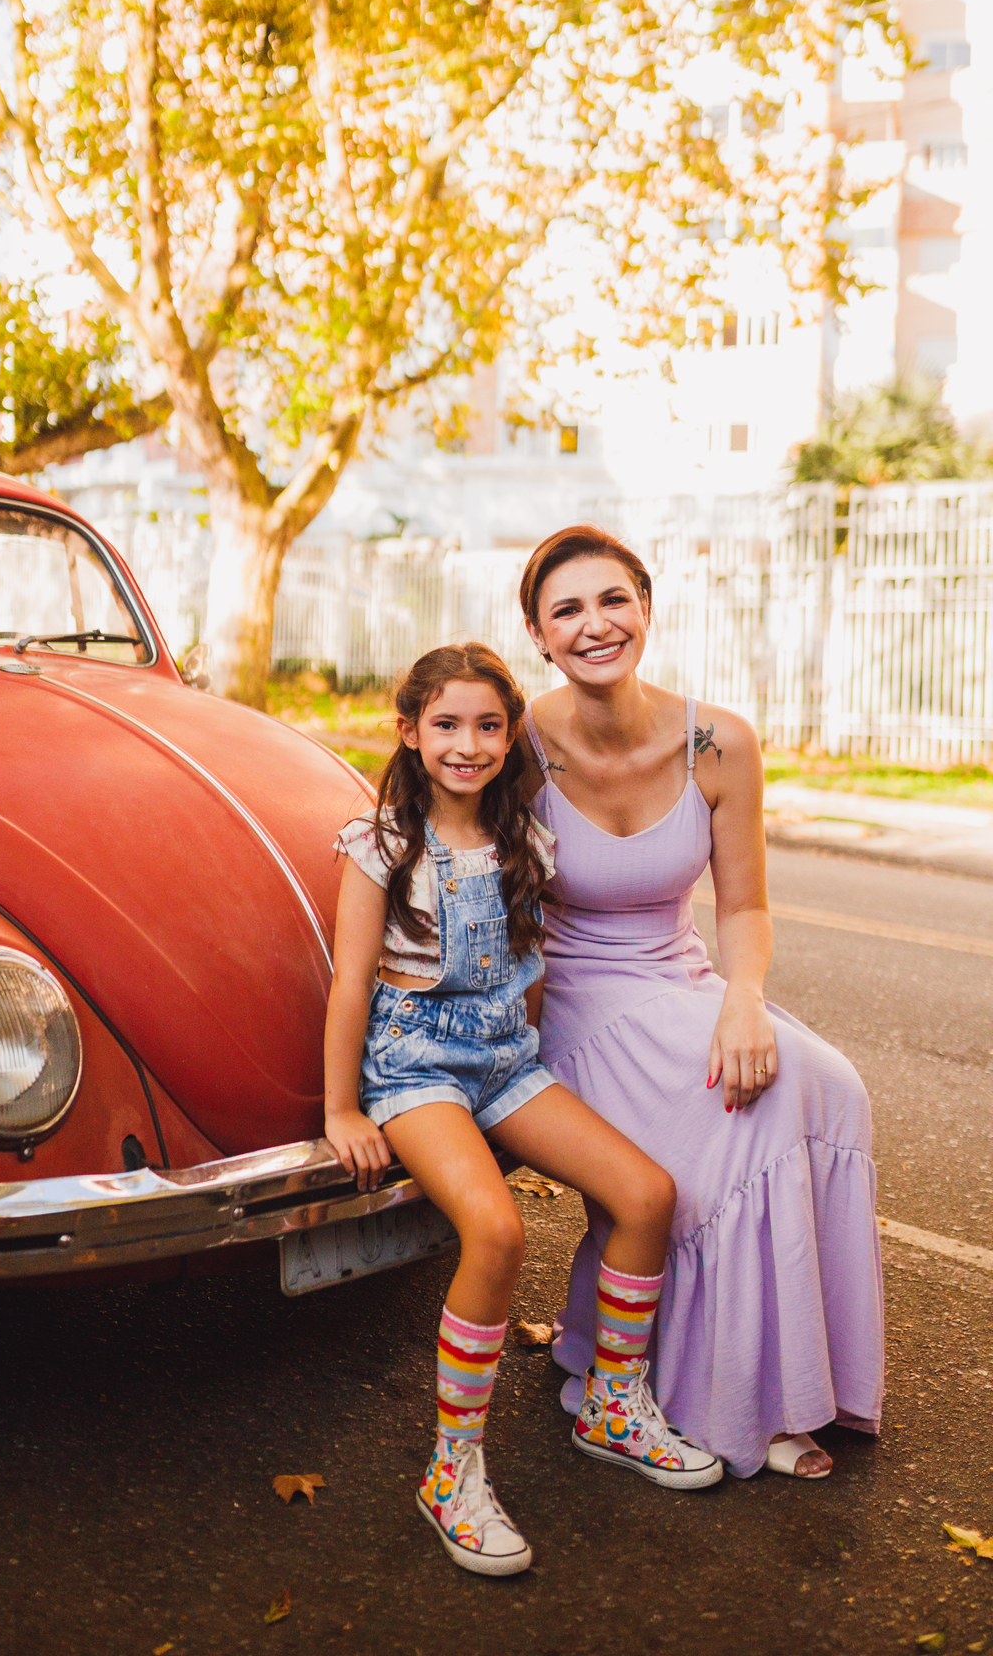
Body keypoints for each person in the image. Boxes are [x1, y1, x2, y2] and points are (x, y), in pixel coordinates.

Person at [323, 641, 722, 1582]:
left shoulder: (526, 842)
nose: (468, 744)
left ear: (512, 738)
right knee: (497, 1234)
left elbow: (530, 976)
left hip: (507, 1065)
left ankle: (614, 1405)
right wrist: (344, 1108)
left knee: (648, 1194)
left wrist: (537, 1078)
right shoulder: (378, 843)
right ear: (410, 731)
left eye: (489, 726)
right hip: (415, 1074)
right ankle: (451, 1471)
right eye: (448, 725)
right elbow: (348, 985)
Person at [518, 525, 885, 1481]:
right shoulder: (515, 747)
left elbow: (747, 905)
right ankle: (727, 1396)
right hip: (577, 1004)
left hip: (683, 979)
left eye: (613, 601)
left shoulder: (720, 742)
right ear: (540, 636)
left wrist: (746, 999)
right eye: (568, 611)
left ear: (646, 610)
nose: (595, 625)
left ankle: (804, 1375)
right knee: (743, 1108)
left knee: (832, 1084)